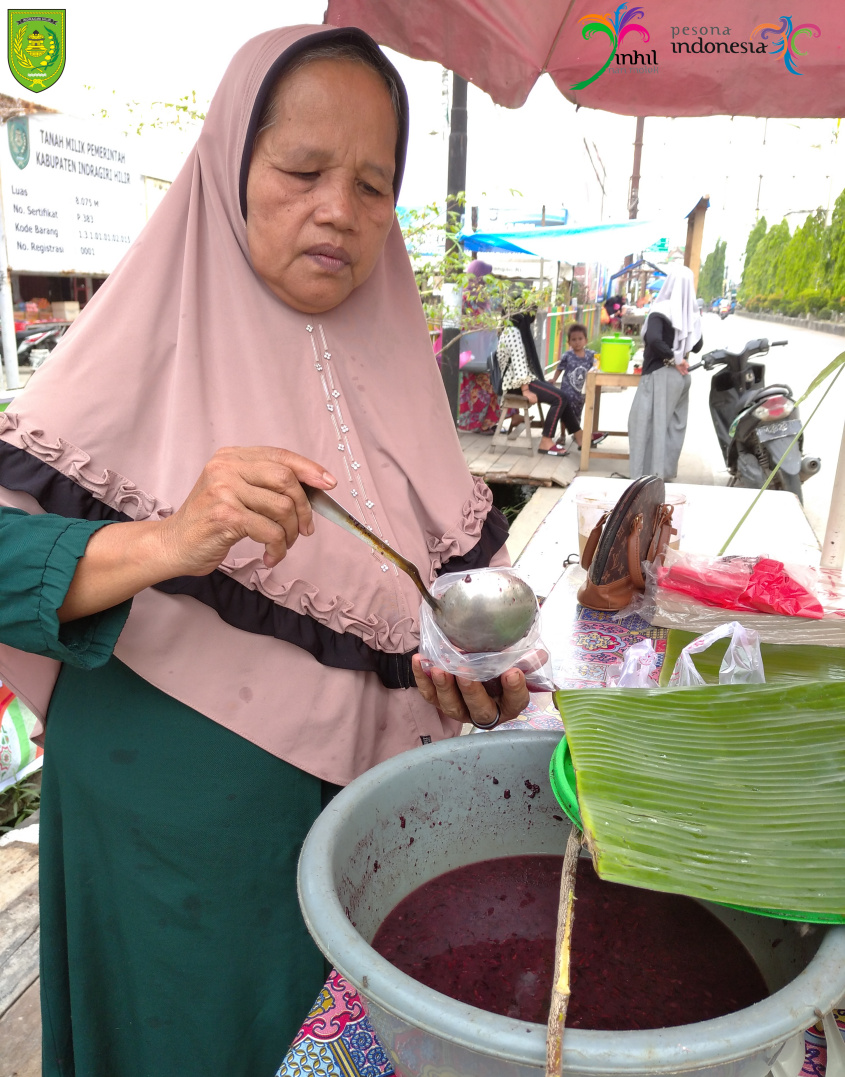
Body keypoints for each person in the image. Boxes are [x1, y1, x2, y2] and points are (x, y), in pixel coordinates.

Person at [0, 27, 530, 1077]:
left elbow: (444, 614)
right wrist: (170, 536)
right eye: (300, 170)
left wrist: (481, 682)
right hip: (171, 856)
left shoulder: (398, 376)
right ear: (229, 166)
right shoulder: (121, 357)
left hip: (369, 853)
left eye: (373, 186)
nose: (338, 208)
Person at [628, 264, 703, 480]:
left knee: (644, 424)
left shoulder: (661, 310)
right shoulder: (692, 313)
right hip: (681, 378)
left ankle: (647, 478)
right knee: (673, 426)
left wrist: (673, 358)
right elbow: (697, 346)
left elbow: (653, 339)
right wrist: (681, 356)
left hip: (661, 374)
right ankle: (665, 473)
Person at [497, 311, 584, 455]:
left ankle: (579, 435)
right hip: (517, 385)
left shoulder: (510, 329)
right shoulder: (512, 332)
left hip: (521, 381)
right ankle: (546, 441)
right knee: (560, 398)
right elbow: (519, 364)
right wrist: (526, 390)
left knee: (562, 396)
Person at [457, 258, 501, 433]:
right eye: (485, 277)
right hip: (468, 352)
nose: (486, 281)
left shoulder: (485, 300)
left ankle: (485, 424)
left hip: (484, 353)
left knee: (488, 385)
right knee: (473, 387)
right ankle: (471, 423)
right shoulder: (464, 298)